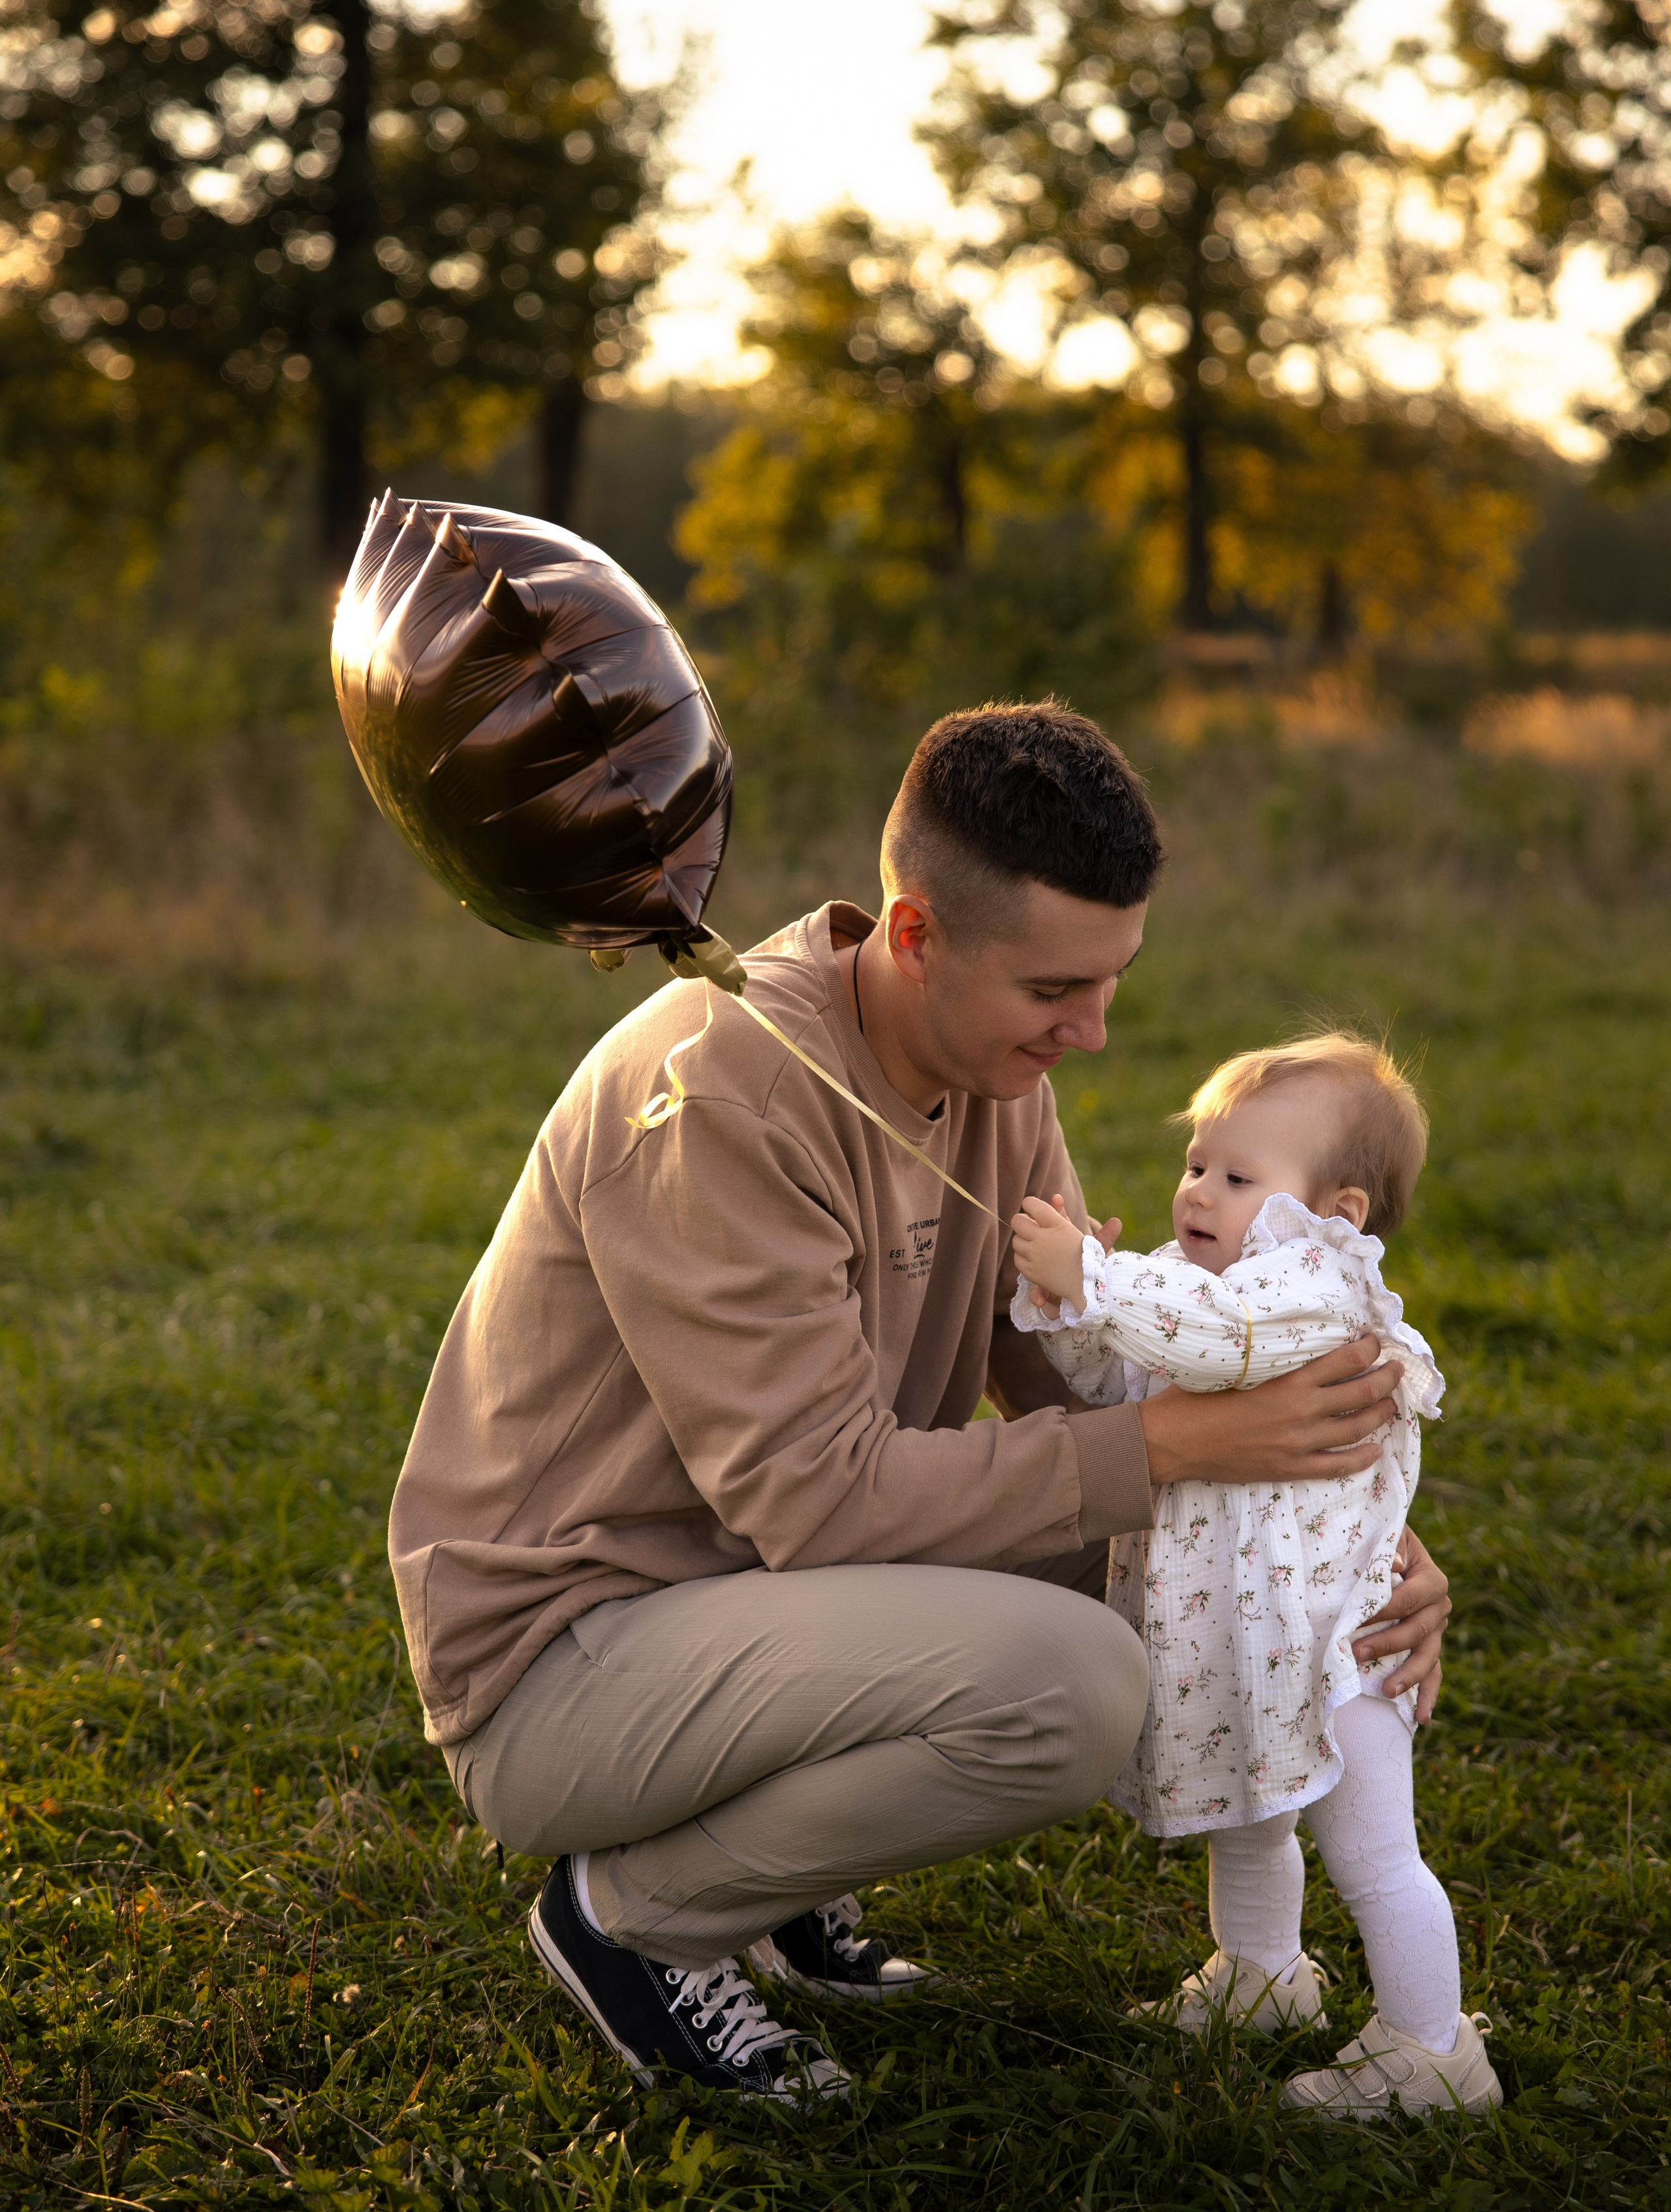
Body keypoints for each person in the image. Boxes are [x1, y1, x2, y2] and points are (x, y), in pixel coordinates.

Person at [388, 704, 1452, 2104]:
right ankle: (634, 1922)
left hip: (762, 1601)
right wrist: (1177, 1446)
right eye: (1053, 990)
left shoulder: (989, 1074)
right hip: (569, 1657)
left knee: (1205, 1566)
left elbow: (1068, 1365)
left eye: (1112, 979)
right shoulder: (721, 1096)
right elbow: (820, 1502)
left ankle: (770, 1877)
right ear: (912, 936)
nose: (1093, 1031)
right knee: (1064, 1685)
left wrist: (1329, 1536)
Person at [1009, 1032, 1500, 2119]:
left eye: (1239, 1178)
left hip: (1337, 1639)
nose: (1199, 1191)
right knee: (1251, 1819)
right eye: (1196, 1164)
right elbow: (1117, 1374)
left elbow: (1214, 1344)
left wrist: (1099, 1277)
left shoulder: (1313, 1289)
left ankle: (1433, 2049)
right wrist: (1073, 1305)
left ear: (1339, 1212)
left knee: (1372, 1851)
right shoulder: (1189, 1285)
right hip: (1241, 1633)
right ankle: (1263, 1974)